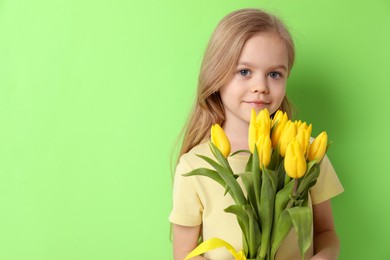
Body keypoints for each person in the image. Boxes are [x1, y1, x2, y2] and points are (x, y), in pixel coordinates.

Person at [169, 8, 344, 260]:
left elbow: (326, 232)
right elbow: (184, 253)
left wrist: (325, 256)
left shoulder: (305, 151)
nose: (260, 87)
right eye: (244, 72)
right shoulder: (193, 165)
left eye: (274, 74)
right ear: (216, 75)